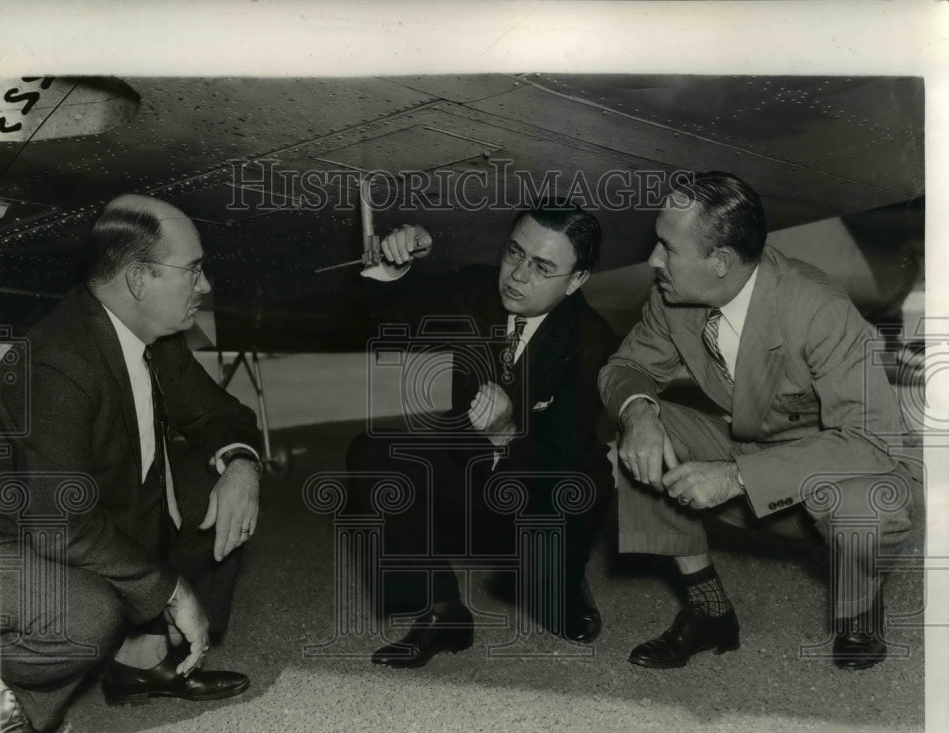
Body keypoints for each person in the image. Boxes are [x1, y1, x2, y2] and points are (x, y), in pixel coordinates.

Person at [599, 171, 921, 671]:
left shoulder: (818, 309)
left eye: (667, 247)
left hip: (838, 471)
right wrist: (639, 411)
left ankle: (859, 611)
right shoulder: (673, 296)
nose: (653, 260)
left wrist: (733, 477)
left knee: (865, 511)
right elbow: (626, 367)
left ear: (721, 262)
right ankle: (709, 613)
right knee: (637, 439)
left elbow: (872, 439)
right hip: (750, 449)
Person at [0, 194, 263, 733]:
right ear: (139, 279)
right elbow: (57, 525)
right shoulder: (55, 362)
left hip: (80, 517)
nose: (206, 285)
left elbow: (222, 415)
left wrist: (241, 463)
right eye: (192, 270)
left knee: (212, 491)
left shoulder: (153, 336)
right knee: (86, 616)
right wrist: (169, 589)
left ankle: (142, 666)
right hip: (7, 541)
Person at [346, 203, 619, 668]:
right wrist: (394, 268)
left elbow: (564, 457)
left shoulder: (593, 341)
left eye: (541, 267)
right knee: (373, 452)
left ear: (575, 281)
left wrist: (506, 434)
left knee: (590, 478)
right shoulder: (475, 287)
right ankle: (442, 610)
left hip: (540, 490)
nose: (516, 275)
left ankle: (558, 583)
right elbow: (384, 317)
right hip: (469, 475)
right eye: (514, 253)